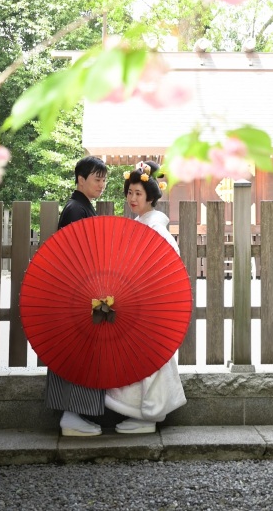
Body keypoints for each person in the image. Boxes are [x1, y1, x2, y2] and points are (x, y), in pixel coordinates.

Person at [104, 160, 187, 434]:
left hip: (151, 305)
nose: (132, 198)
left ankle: (148, 414)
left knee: (149, 361)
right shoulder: (140, 226)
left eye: (139, 193)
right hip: (136, 303)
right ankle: (142, 412)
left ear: (150, 196)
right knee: (138, 360)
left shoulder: (156, 231)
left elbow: (166, 272)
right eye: (130, 193)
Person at [45, 155, 109, 437]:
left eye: (104, 179)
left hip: (79, 291)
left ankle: (75, 415)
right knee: (78, 354)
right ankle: (71, 416)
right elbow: (75, 257)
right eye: (97, 178)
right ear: (80, 180)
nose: (102, 184)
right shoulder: (75, 210)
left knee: (80, 354)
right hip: (77, 293)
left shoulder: (80, 207)